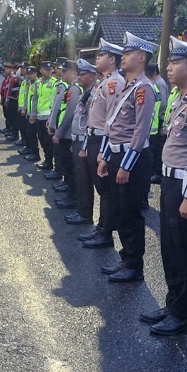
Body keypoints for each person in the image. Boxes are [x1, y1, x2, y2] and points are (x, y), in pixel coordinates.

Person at [141, 38, 187, 336]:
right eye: (170, 62)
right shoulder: (180, 98)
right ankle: (172, 304)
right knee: (169, 248)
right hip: (172, 181)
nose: (169, 67)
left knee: (182, 251)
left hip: (185, 185)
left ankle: (181, 315)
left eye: (175, 63)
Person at [96, 32, 157, 282]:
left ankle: (134, 264)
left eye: (128, 53)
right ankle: (126, 258)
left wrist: (126, 166)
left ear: (141, 57)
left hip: (135, 159)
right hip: (118, 155)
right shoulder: (128, 86)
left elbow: (140, 132)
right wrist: (105, 156)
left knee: (131, 214)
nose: (123, 57)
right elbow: (114, 127)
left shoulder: (144, 89)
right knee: (121, 211)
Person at [80, 40, 126, 249]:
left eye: (101, 55)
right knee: (101, 189)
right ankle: (102, 228)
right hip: (94, 137)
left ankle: (106, 232)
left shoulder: (115, 83)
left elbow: (112, 119)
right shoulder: (103, 82)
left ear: (112, 60)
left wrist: (104, 151)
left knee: (106, 190)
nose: (97, 58)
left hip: (103, 140)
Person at [65, 59, 99, 226]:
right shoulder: (86, 92)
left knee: (84, 180)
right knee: (79, 179)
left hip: (85, 143)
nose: (79, 77)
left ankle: (85, 214)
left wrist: (84, 145)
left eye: (83, 74)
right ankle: (81, 210)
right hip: (78, 141)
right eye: (78, 73)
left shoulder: (93, 94)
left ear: (92, 75)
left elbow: (91, 123)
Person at [51, 60, 81, 208]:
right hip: (67, 133)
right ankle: (70, 194)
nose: (62, 73)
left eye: (65, 71)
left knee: (70, 167)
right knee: (68, 166)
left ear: (74, 73)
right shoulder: (71, 87)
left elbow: (69, 113)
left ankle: (73, 198)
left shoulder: (74, 89)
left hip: (68, 135)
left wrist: (59, 132)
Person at [146, 62, 169, 184]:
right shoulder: (154, 83)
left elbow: (163, 104)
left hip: (159, 120)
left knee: (157, 149)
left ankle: (157, 173)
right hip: (154, 121)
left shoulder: (159, 83)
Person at [0, 64, 21, 140]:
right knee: (9, 116)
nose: (5, 71)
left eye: (7, 69)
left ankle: (14, 133)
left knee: (14, 118)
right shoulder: (8, 79)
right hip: (9, 99)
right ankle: (11, 130)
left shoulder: (15, 79)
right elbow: (6, 90)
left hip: (14, 100)